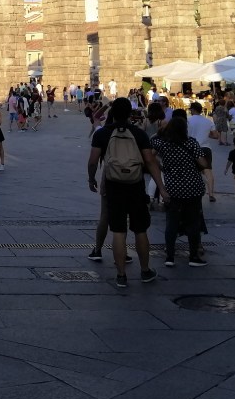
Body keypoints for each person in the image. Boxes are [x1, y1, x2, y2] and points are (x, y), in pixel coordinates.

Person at [87, 97, 166, 287]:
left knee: (118, 230)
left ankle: (121, 275)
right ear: (130, 113)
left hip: (113, 184)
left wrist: (91, 179)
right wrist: (161, 188)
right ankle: (145, 271)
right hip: (135, 185)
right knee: (140, 229)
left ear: (113, 113)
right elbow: (150, 161)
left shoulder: (103, 133)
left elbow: (92, 161)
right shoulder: (139, 134)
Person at [151, 115, 210, 267]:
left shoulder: (162, 144)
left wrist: (163, 166)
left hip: (173, 188)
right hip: (193, 188)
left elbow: (150, 154)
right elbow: (203, 163)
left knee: (171, 223)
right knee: (193, 222)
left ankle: (170, 257)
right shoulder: (191, 143)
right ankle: (193, 256)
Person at [187, 101, 219, 202]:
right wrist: (206, 135)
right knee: (208, 171)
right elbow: (215, 135)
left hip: (191, 148)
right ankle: (211, 194)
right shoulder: (208, 121)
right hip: (205, 147)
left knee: (190, 170)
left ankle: (191, 191)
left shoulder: (188, 120)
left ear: (192, 110)